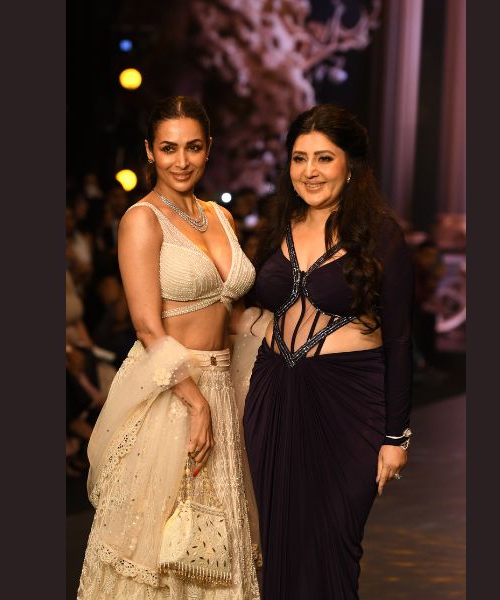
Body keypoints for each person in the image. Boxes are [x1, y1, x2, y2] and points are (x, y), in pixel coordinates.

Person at [77, 96, 261, 600]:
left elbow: (234, 315)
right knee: (158, 551)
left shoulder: (220, 216)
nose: (181, 161)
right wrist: (195, 402)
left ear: (208, 149)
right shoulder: (141, 219)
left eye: (193, 147)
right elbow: (146, 325)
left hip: (221, 387)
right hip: (172, 393)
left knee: (214, 549)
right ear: (149, 151)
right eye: (168, 148)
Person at [243, 104, 414, 599]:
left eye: (324, 158)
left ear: (350, 165)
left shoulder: (381, 234)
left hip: (348, 406)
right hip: (273, 397)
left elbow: (400, 339)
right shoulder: (276, 227)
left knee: (333, 546)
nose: (310, 171)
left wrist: (396, 436)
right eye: (299, 158)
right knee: (278, 546)